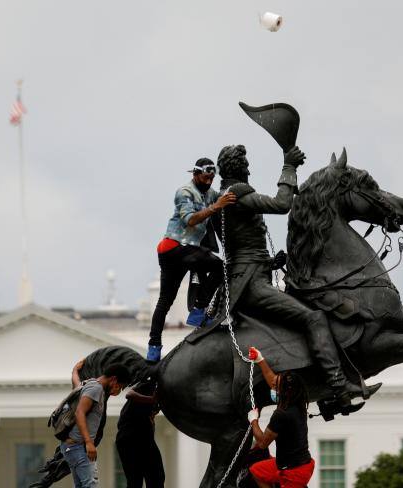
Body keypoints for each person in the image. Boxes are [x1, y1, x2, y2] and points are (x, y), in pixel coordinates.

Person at [215, 144, 378, 407]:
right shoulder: (238, 196)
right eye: (246, 165)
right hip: (251, 287)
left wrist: (269, 262)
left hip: (253, 275)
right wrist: (289, 166)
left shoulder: (225, 197)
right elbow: (281, 204)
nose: (249, 168)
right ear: (242, 169)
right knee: (313, 318)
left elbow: (241, 249)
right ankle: (337, 385)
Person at [147, 157, 237, 362]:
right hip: (174, 248)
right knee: (219, 267)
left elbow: (225, 196)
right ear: (195, 174)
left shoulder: (209, 193)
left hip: (187, 251)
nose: (208, 182)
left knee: (166, 300)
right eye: (205, 177)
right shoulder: (184, 192)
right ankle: (196, 311)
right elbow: (190, 220)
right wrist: (216, 207)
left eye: (211, 178)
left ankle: (154, 348)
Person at [247, 346, 315, 488]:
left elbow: (262, 443)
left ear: (285, 392)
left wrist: (253, 421)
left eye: (275, 388)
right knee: (257, 471)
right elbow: (273, 380)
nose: (272, 389)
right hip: (290, 464)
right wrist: (260, 360)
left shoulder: (281, 414)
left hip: (295, 472)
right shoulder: (298, 402)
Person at [62, 360, 131, 488]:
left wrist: (75, 371)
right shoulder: (96, 389)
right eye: (120, 386)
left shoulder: (90, 384)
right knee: (91, 485)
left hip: (71, 447)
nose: (119, 391)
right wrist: (89, 442)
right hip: (78, 446)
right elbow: (79, 412)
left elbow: (76, 386)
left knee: (81, 485)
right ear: (113, 379)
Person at [115, 378, 165, 488]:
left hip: (143, 436)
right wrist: (151, 399)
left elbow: (151, 415)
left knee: (156, 476)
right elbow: (130, 394)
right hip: (130, 436)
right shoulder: (150, 384)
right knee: (135, 479)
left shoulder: (163, 394)